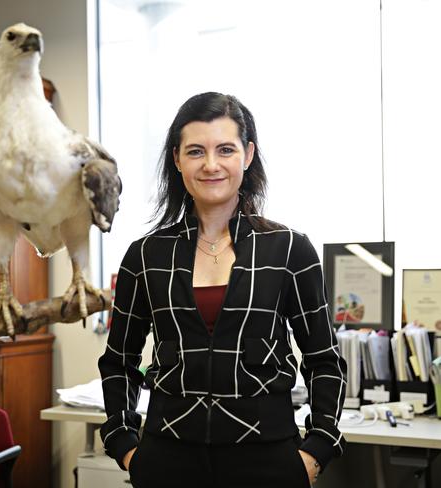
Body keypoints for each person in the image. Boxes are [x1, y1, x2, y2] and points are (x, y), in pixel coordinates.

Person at [98, 92, 347, 487]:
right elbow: (118, 361)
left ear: (247, 156)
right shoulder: (146, 255)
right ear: (177, 159)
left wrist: (317, 449)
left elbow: (324, 360)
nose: (211, 164)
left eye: (225, 149)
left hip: (268, 459)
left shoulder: (288, 249)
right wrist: (124, 444)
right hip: (167, 458)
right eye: (196, 151)